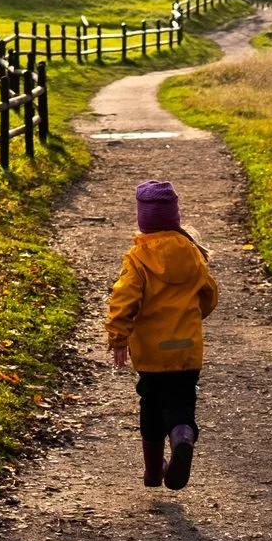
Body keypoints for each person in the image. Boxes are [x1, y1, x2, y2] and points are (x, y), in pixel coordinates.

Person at [105, 179, 219, 489]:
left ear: (143, 220)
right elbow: (208, 296)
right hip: (186, 352)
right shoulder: (193, 254)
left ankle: (154, 472)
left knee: (152, 407)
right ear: (175, 218)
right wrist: (192, 318)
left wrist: (119, 337)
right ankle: (182, 435)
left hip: (152, 354)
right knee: (181, 403)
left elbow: (123, 299)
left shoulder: (138, 258)